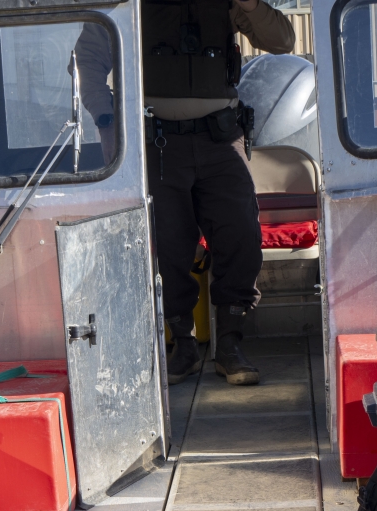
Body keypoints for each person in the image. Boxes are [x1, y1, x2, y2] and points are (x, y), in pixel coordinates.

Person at [76, 0, 295, 387]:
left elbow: (282, 41)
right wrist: (106, 119)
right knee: (169, 245)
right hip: (158, 143)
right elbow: (89, 56)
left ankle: (229, 345)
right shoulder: (131, 6)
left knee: (241, 236)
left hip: (221, 140)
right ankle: (183, 344)